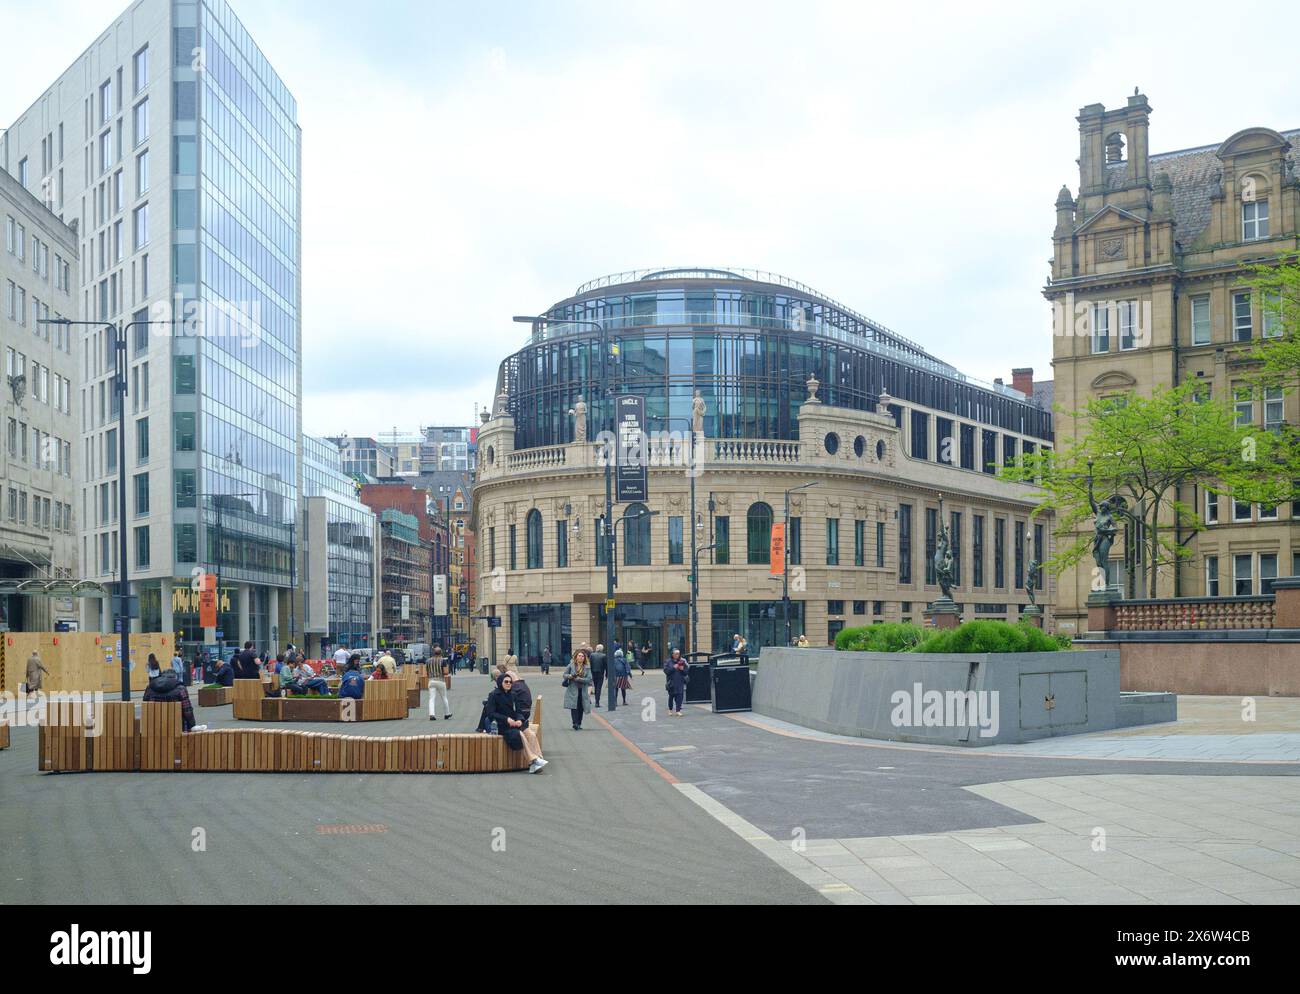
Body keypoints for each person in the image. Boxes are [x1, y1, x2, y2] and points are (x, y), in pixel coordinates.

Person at [487, 673, 547, 773]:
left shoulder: (513, 694)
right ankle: (533, 760)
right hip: (501, 726)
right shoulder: (493, 695)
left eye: (510, 682)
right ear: (500, 682)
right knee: (519, 734)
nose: (508, 684)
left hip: (516, 724)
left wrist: (519, 720)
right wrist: (507, 719)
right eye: (506, 682)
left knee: (530, 734)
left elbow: (518, 711)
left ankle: (539, 759)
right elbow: (491, 714)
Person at [143, 654, 205, 732]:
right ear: (175, 677)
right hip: (177, 726)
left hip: (154, 726)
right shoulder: (180, 689)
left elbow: (145, 703)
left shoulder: (150, 687)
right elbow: (187, 709)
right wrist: (192, 725)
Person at [563, 648, 593, 730]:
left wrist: (579, 679)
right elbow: (564, 675)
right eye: (579, 656)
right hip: (573, 690)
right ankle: (575, 723)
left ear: (584, 658)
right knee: (574, 707)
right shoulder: (571, 665)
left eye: (582, 656)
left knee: (581, 707)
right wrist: (570, 676)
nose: (581, 657)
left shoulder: (587, 667)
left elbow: (589, 679)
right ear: (576, 657)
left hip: (583, 690)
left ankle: (579, 723)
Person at [664, 648, 689, 717]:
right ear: (672, 654)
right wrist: (673, 668)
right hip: (671, 682)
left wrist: (682, 669)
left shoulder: (682, 661)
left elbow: (686, 672)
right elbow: (666, 671)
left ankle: (678, 710)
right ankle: (670, 710)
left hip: (680, 682)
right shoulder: (668, 661)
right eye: (676, 654)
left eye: (678, 653)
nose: (677, 655)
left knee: (680, 696)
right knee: (671, 696)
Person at [429, 647, 451, 721]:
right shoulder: (443, 661)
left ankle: (432, 714)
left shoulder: (428, 661)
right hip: (440, 681)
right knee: (444, 697)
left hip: (431, 681)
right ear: (441, 653)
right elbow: (446, 672)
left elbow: (427, 672)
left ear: (433, 653)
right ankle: (447, 714)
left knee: (432, 698)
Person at [589, 643, 607, 708]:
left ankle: (596, 701)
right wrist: (607, 674)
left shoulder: (592, 655)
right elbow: (606, 666)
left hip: (593, 673)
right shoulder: (604, 656)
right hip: (600, 673)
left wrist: (589, 673)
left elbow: (590, 664)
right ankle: (597, 702)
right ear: (602, 649)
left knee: (596, 687)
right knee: (599, 688)